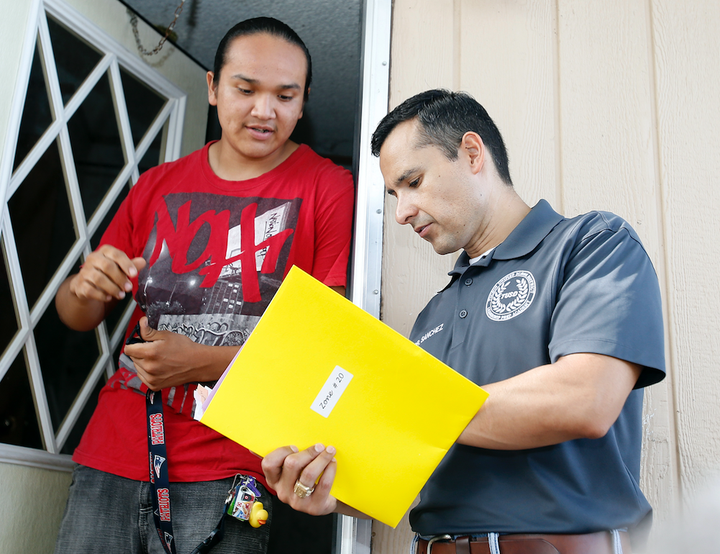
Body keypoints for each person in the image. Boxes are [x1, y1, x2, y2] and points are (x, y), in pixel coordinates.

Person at [261, 89, 666, 554]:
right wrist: (328, 488)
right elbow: (406, 474)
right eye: (394, 194)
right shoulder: (431, 316)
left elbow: (586, 397)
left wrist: (403, 406)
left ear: (472, 153)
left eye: (412, 182)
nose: (401, 211)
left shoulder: (592, 243)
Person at [53, 17, 354, 554]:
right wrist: (83, 287)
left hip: (234, 466)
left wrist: (203, 361)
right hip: (113, 450)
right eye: (246, 89)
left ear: (303, 103)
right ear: (213, 88)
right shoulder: (157, 185)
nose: (265, 111)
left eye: (285, 96)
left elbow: (325, 345)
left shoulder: (327, 188)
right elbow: (78, 317)